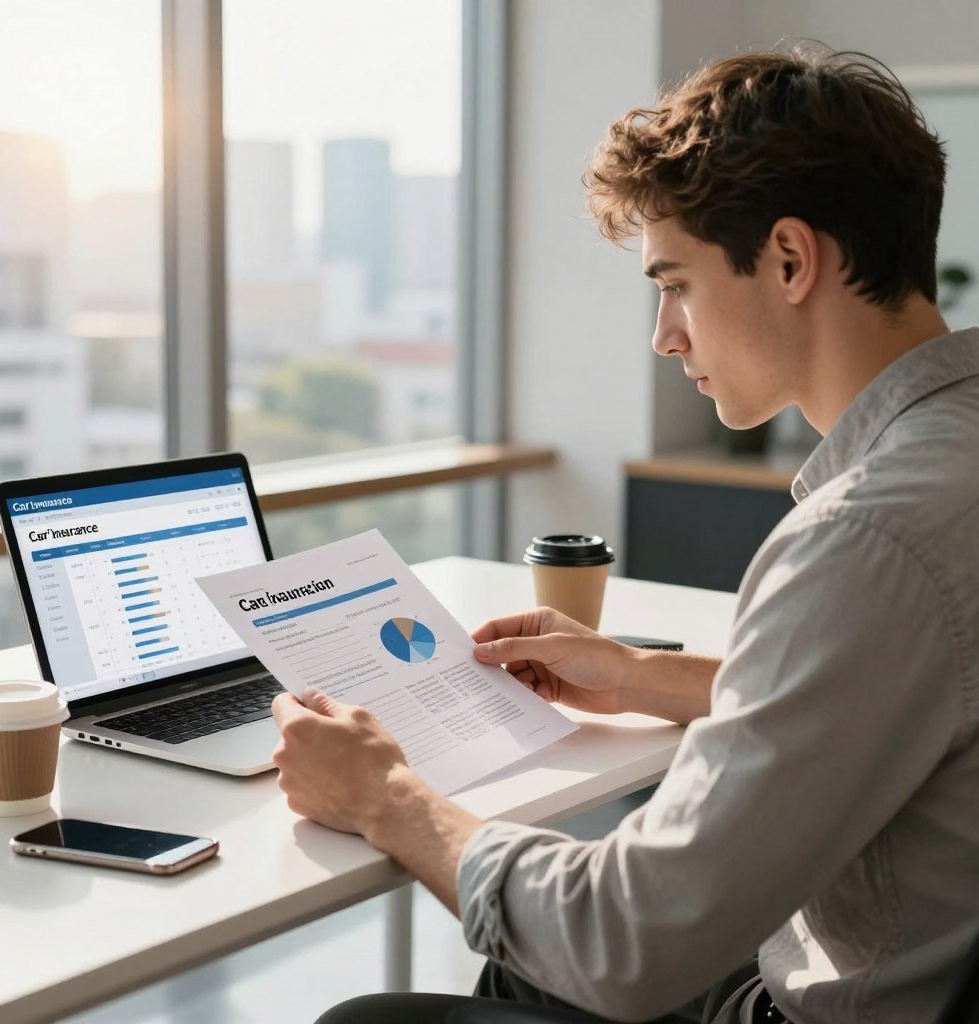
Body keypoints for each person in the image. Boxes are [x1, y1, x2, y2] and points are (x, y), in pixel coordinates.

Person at [271, 42, 979, 1024]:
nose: (664, 334)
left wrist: (384, 795)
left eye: (676, 282)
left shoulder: (866, 534)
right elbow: (920, 688)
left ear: (787, 257)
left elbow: (626, 941)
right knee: (523, 965)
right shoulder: (951, 461)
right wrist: (643, 676)